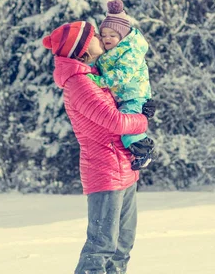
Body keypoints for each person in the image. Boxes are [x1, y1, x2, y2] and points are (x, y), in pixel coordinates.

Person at [42, 20, 156, 274]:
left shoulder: (94, 76)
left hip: (123, 169)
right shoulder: (79, 84)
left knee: (122, 246)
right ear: (83, 48)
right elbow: (115, 121)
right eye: (93, 35)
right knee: (100, 248)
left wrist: (139, 105)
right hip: (105, 172)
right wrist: (144, 120)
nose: (100, 38)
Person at [86, 0, 155, 170]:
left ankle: (143, 151)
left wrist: (98, 81)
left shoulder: (130, 52)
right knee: (123, 127)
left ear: (122, 36)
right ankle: (137, 152)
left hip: (134, 95)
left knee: (126, 126)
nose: (107, 38)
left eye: (113, 35)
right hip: (124, 96)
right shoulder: (110, 53)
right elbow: (97, 65)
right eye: (104, 34)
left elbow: (122, 75)